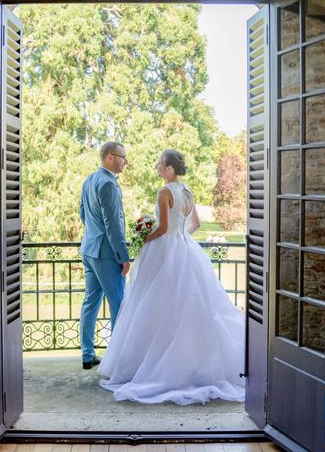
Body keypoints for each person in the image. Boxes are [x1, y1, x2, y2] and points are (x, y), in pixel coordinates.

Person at [98, 149, 246, 404]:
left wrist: (145, 238)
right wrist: (183, 237)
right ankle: (191, 362)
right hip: (186, 249)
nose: (157, 167)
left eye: (160, 164)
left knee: (156, 304)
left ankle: (150, 364)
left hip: (166, 252)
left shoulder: (164, 192)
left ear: (169, 168)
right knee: (189, 306)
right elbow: (195, 223)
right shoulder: (186, 191)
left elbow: (163, 228)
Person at [79, 141, 130, 370]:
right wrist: (123, 255)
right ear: (109, 157)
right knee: (118, 303)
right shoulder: (108, 184)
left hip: (89, 249)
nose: (124, 161)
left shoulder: (90, 179)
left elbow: (82, 213)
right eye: (122, 157)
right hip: (106, 253)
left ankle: (87, 354)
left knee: (90, 302)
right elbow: (113, 225)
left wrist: (93, 234)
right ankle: (117, 359)